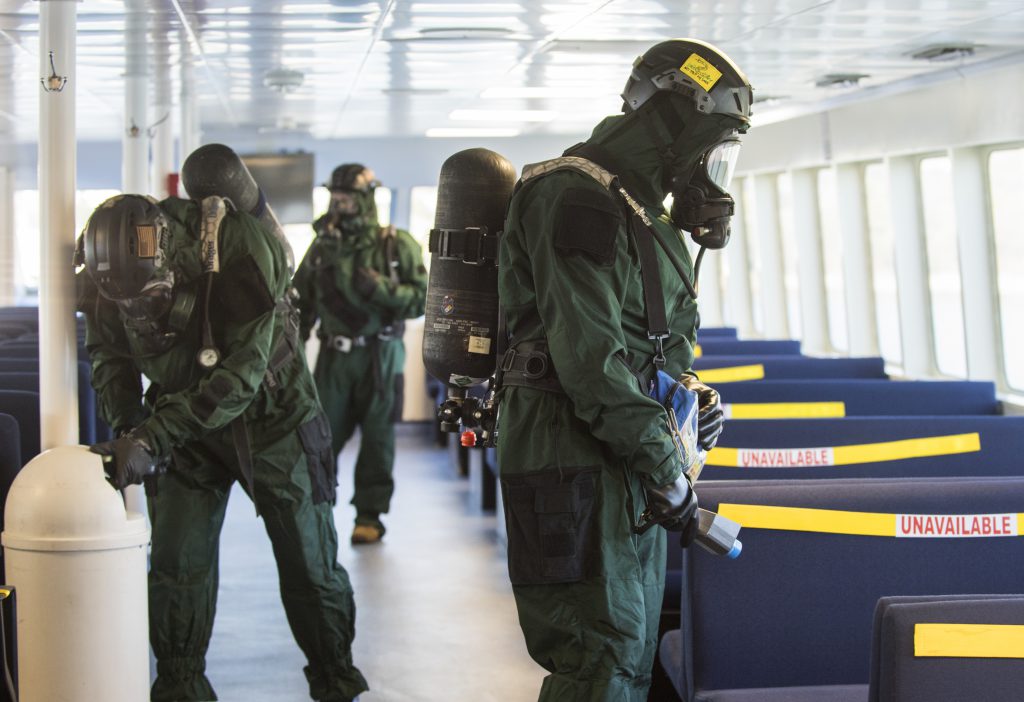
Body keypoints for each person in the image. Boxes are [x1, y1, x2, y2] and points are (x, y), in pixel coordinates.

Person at [496, 38, 750, 700]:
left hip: (624, 458)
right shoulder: (574, 198)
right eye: (710, 148)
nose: (711, 173)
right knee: (599, 660)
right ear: (673, 122)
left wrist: (689, 397)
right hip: (571, 455)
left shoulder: (643, 212)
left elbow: (660, 343)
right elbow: (591, 362)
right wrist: (665, 467)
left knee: (628, 654)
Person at [76, 193, 368, 702]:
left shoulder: (237, 247)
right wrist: (131, 430)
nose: (141, 310)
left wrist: (153, 437)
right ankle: (181, 689)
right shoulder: (104, 280)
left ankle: (336, 683)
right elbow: (110, 359)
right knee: (177, 569)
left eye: (150, 296)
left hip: (276, 417)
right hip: (184, 425)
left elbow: (241, 377)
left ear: (167, 255)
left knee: (310, 566)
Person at [292, 164, 427, 545]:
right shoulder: (322, 249)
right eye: (335, 197)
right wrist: (291, 359)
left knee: (378, 439)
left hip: (381, 356)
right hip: (334, 358)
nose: (340, 205)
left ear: (366, 198)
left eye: (348, 198)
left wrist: (382, 290)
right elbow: (300, 305)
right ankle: (318, 509)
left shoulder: (395, 245)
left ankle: (369, 516)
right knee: (319, 437)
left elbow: (422, 300)